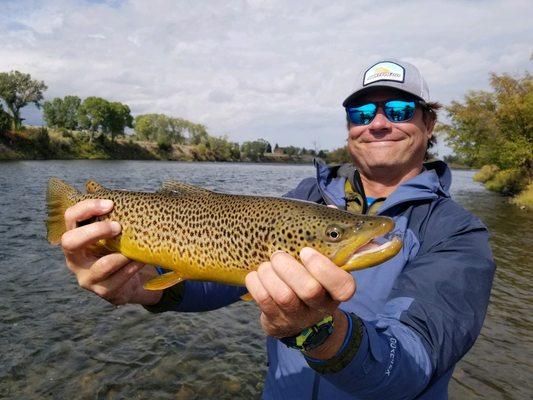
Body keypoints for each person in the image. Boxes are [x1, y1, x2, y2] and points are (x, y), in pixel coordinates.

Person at [60, 59, 495, 399]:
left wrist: (319, 331)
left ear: (429, 124)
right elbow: (224, 275)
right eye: (361, 111)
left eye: (397, 109)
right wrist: (143, 287)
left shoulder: (457, 234)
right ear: (349, 127)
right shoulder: (305, 197)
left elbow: (414, 365)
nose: (377, 122)